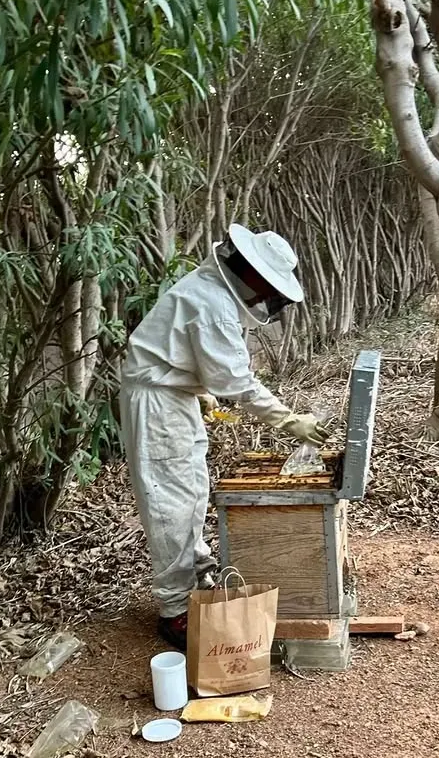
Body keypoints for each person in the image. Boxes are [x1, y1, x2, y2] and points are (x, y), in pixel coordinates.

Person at [119, 223, 330, 651]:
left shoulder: (211, 290)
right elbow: (237, 381)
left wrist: (202, 396)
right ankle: (175, 611)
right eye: (265, 287)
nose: (265, 296)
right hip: (159, 405)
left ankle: (197, 580)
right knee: (170, 503)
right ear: (252, 276)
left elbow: (196, 361)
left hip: (173, 398)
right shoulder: (213, 304)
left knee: (192, 493)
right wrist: (289, 420)